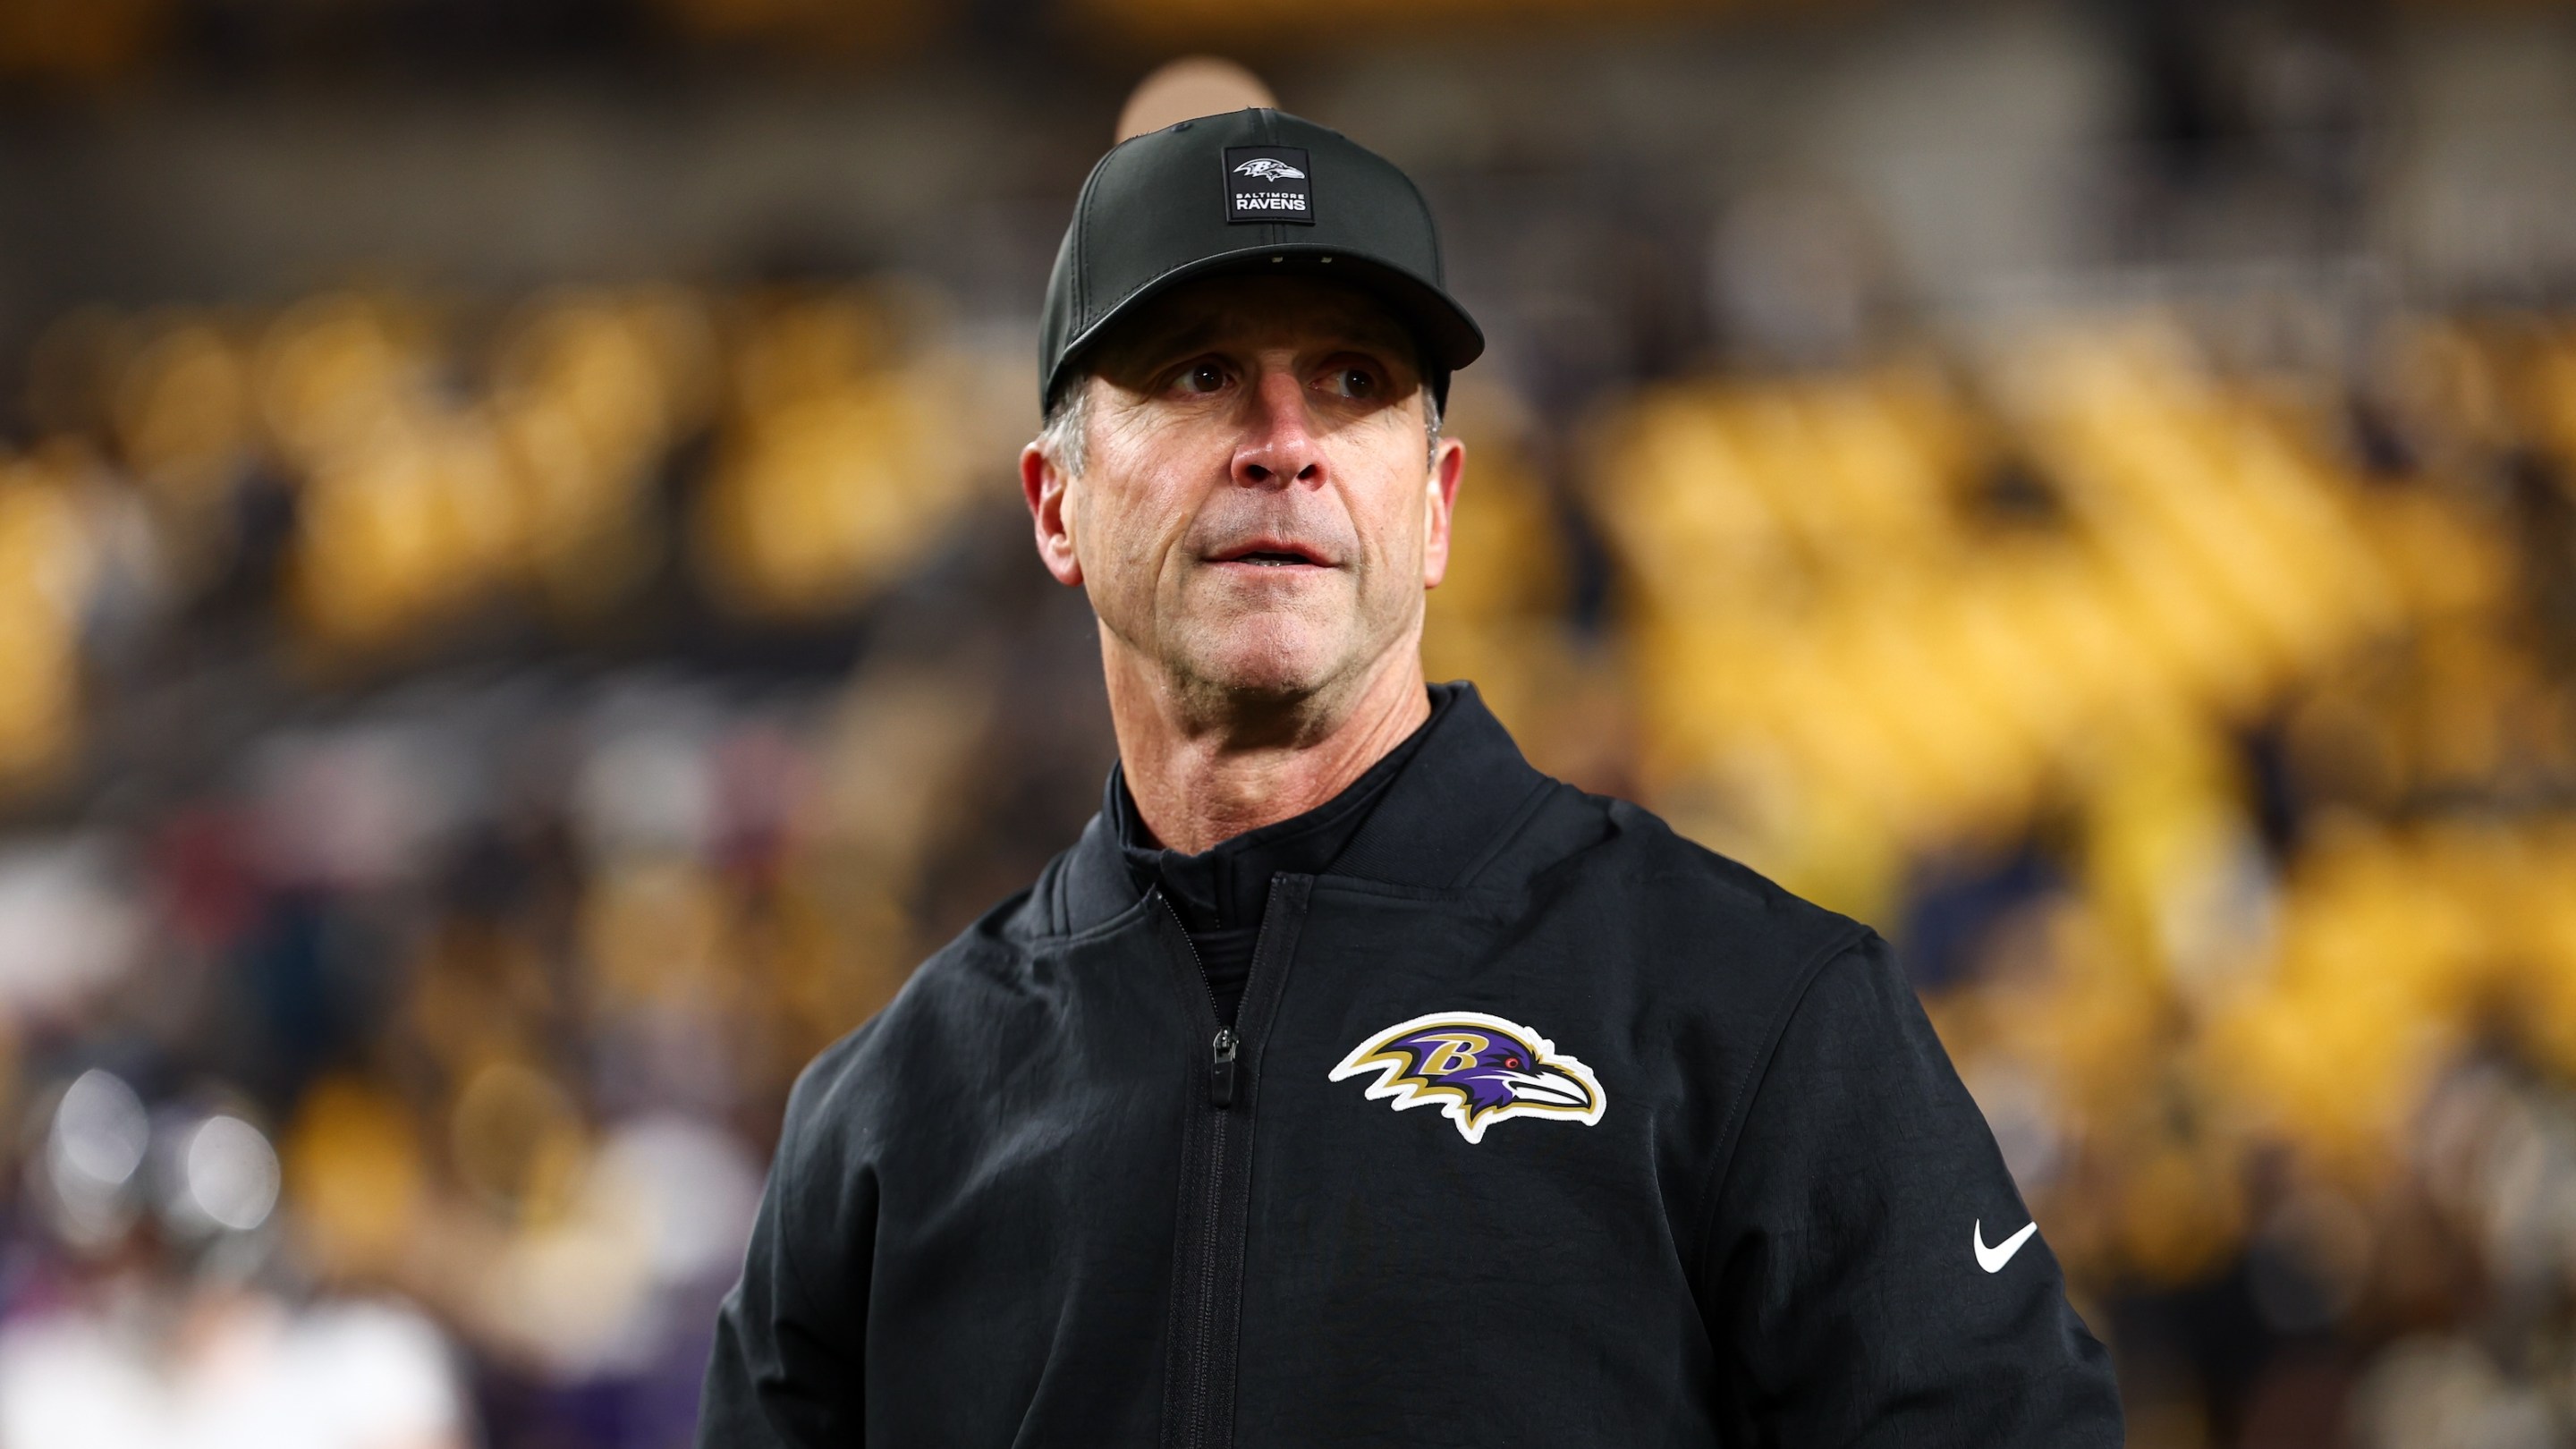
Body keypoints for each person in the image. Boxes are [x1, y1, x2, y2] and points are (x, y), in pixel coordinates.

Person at [697, 105, 2123, 1446]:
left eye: (1353, 383)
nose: (1284, 446)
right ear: (1055, 504)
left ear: (1435, 509)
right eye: (1200, 375)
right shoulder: (883, 1125)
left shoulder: (1757, 1017)